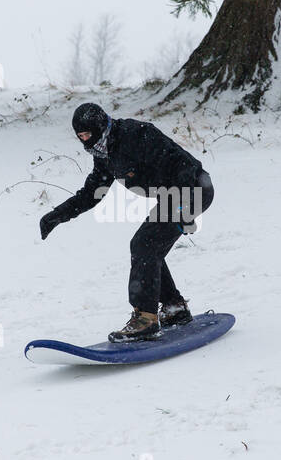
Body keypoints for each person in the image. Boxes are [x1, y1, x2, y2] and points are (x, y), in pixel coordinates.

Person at [39, 102, 214, 342]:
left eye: (88, 134)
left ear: (100, 127)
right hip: (174, 196)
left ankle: (146, 319)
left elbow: (181, 164)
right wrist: (58, 214)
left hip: (192, 189)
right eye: (80, 136)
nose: (85, 141)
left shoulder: (136, 135)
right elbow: (93, 192)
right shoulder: (105, 154)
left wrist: (184, 210)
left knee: (144, 244)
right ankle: (174, 307)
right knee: (148, 246)